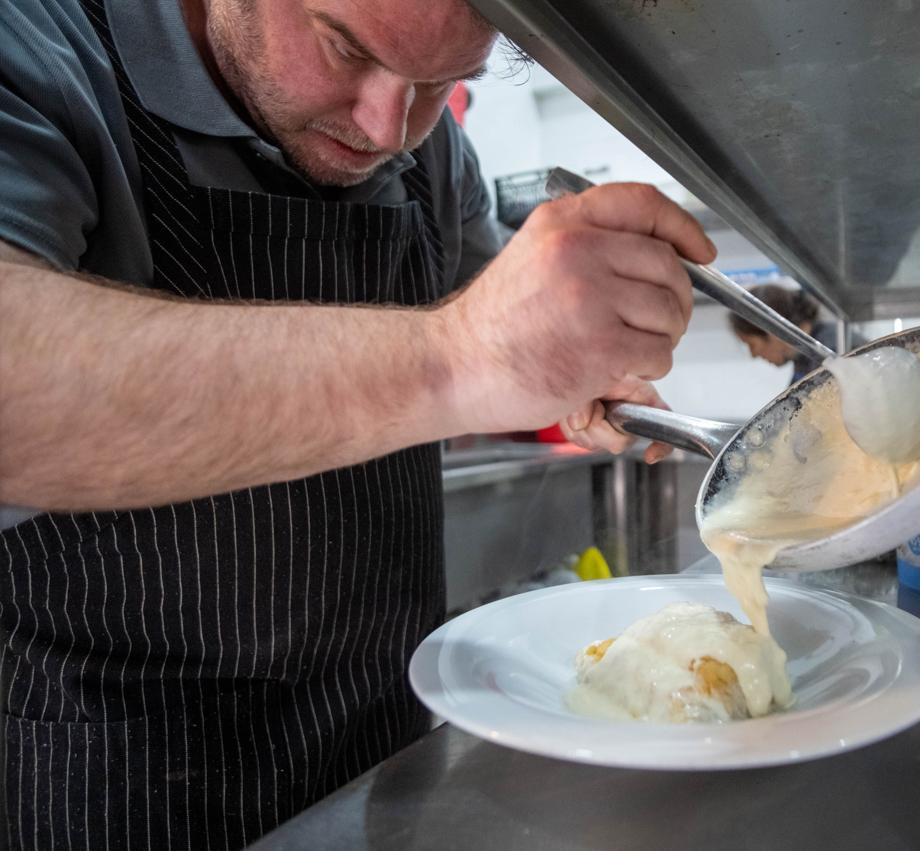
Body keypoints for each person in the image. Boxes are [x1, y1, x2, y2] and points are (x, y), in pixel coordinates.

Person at [0, 0, 715, 846]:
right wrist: (455, 357)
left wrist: (576, 369)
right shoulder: (39, 47)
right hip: (119, 784)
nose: (386, 126)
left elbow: (506, 321)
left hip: (379, 760)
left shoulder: (432, 152)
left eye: (442, 82)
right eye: (342, 49)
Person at [728, 283, 859, 383]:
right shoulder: (805, 356)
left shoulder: (832, 350)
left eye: (752, 344)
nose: (754, 354)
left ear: (774, 331)